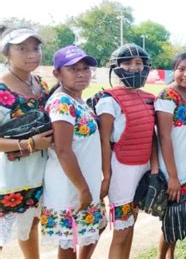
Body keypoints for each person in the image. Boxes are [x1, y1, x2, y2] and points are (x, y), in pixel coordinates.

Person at [95, 43, 158, 259]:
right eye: (128, 63)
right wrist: (107, 175)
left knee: (131, 225)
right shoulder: (108, 100)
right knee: (121, 231)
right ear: (117, 67)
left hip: (142, 167)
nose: (134, 67)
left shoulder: (149, 98)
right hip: (120, 169)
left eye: (139, 63)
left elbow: (152, 137)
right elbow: (104, 141)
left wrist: (155, 170)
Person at [41, 45, 104, 258]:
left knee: (89, 231)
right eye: (73, 69)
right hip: (70, 186)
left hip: (83, 182)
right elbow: (63, 150)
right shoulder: (62, 102)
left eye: (85, 68)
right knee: (70, 242)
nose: (81, 74)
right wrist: (83, 189)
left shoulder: (77, 100)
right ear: (57, 73)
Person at [0, 26, 52, 258]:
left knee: (30, 225)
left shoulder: (41, 84)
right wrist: (28, 144)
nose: (32, 54)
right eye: (22, 48)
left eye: (36, 48)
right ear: (6, 54)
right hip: (7, 178)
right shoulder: (1, 88)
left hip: (38, 174)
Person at [155, 53, 186, 258]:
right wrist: (173, 177)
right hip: (174, 169)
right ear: (173, 71)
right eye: (181, 69)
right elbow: (164, 138)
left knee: (179, 217)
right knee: (170, 219)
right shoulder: (167, 95)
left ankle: (171, 256)